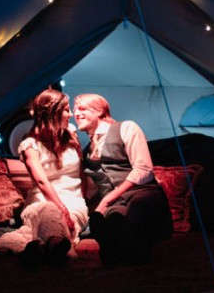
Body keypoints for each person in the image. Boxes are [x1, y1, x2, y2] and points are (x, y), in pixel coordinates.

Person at [0, 88, 89, 268]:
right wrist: (62, 210)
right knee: (50, 212)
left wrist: (83, 197)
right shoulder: (29, 145)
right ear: (51, 113)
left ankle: (38, 249)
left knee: (62, 221)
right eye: (66, 110)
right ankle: (54, 248)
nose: (71, 114)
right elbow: (41, 182)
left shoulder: (71, 134)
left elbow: (81, 170)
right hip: (40, 201)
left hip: (74, 201)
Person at [73, 93, 173, 266]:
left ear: (99, 111)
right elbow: (91, 185)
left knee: (136, 208)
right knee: (113, 216)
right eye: (74, 110)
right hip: (116, 200)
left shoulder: (126, 128)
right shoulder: (89, 148)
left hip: (141, 191)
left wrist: (106, 200)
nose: (76, 114)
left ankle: (123, 246)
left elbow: (143, 168)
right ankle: (118, 245)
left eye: (82, 109)